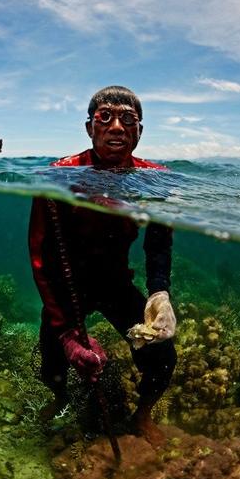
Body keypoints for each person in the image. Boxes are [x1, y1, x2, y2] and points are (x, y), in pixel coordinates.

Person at [28, 85, 177, 442]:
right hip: (67, 287)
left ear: (140, 131)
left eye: (128, 119)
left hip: (115, 284)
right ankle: (60, 397)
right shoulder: (59, 175)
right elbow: (39, 254)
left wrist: (160, 292)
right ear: (89, 128)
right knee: (52, 366)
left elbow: (159, 241)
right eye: (104, 117)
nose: (116, 127)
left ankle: (142, 415)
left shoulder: (155, 177)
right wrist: (65, 332)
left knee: (163, 355)